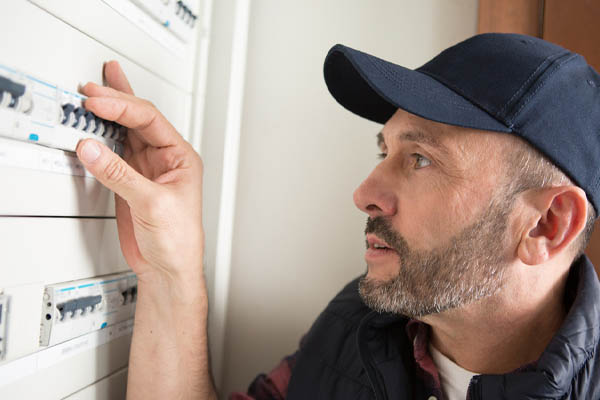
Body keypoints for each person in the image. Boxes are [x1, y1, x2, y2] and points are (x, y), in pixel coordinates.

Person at [75, 32, 600, 400]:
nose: (364, 194)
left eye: (421, 159)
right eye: (384, 152)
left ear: (546, 224)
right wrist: (172, 270)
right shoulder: (358, 325)